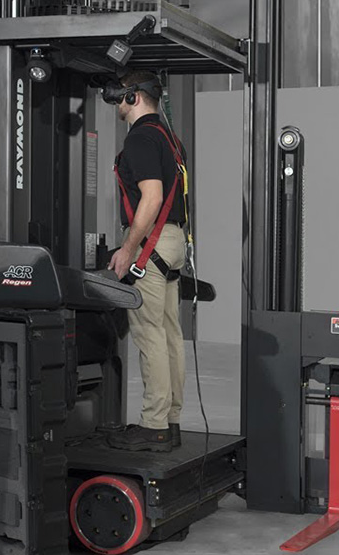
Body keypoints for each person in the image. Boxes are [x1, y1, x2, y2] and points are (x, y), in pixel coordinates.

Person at [105, 71, 189, 453]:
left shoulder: (139, 138)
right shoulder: (169, 139)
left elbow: (151, 198)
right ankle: (170, 421)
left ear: (134, 97)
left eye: (119, 97)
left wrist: (127, 248)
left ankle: (153, 425)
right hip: (173, 242)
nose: (116, 105)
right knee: (170, 332)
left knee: (149, 333)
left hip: (151, 242)